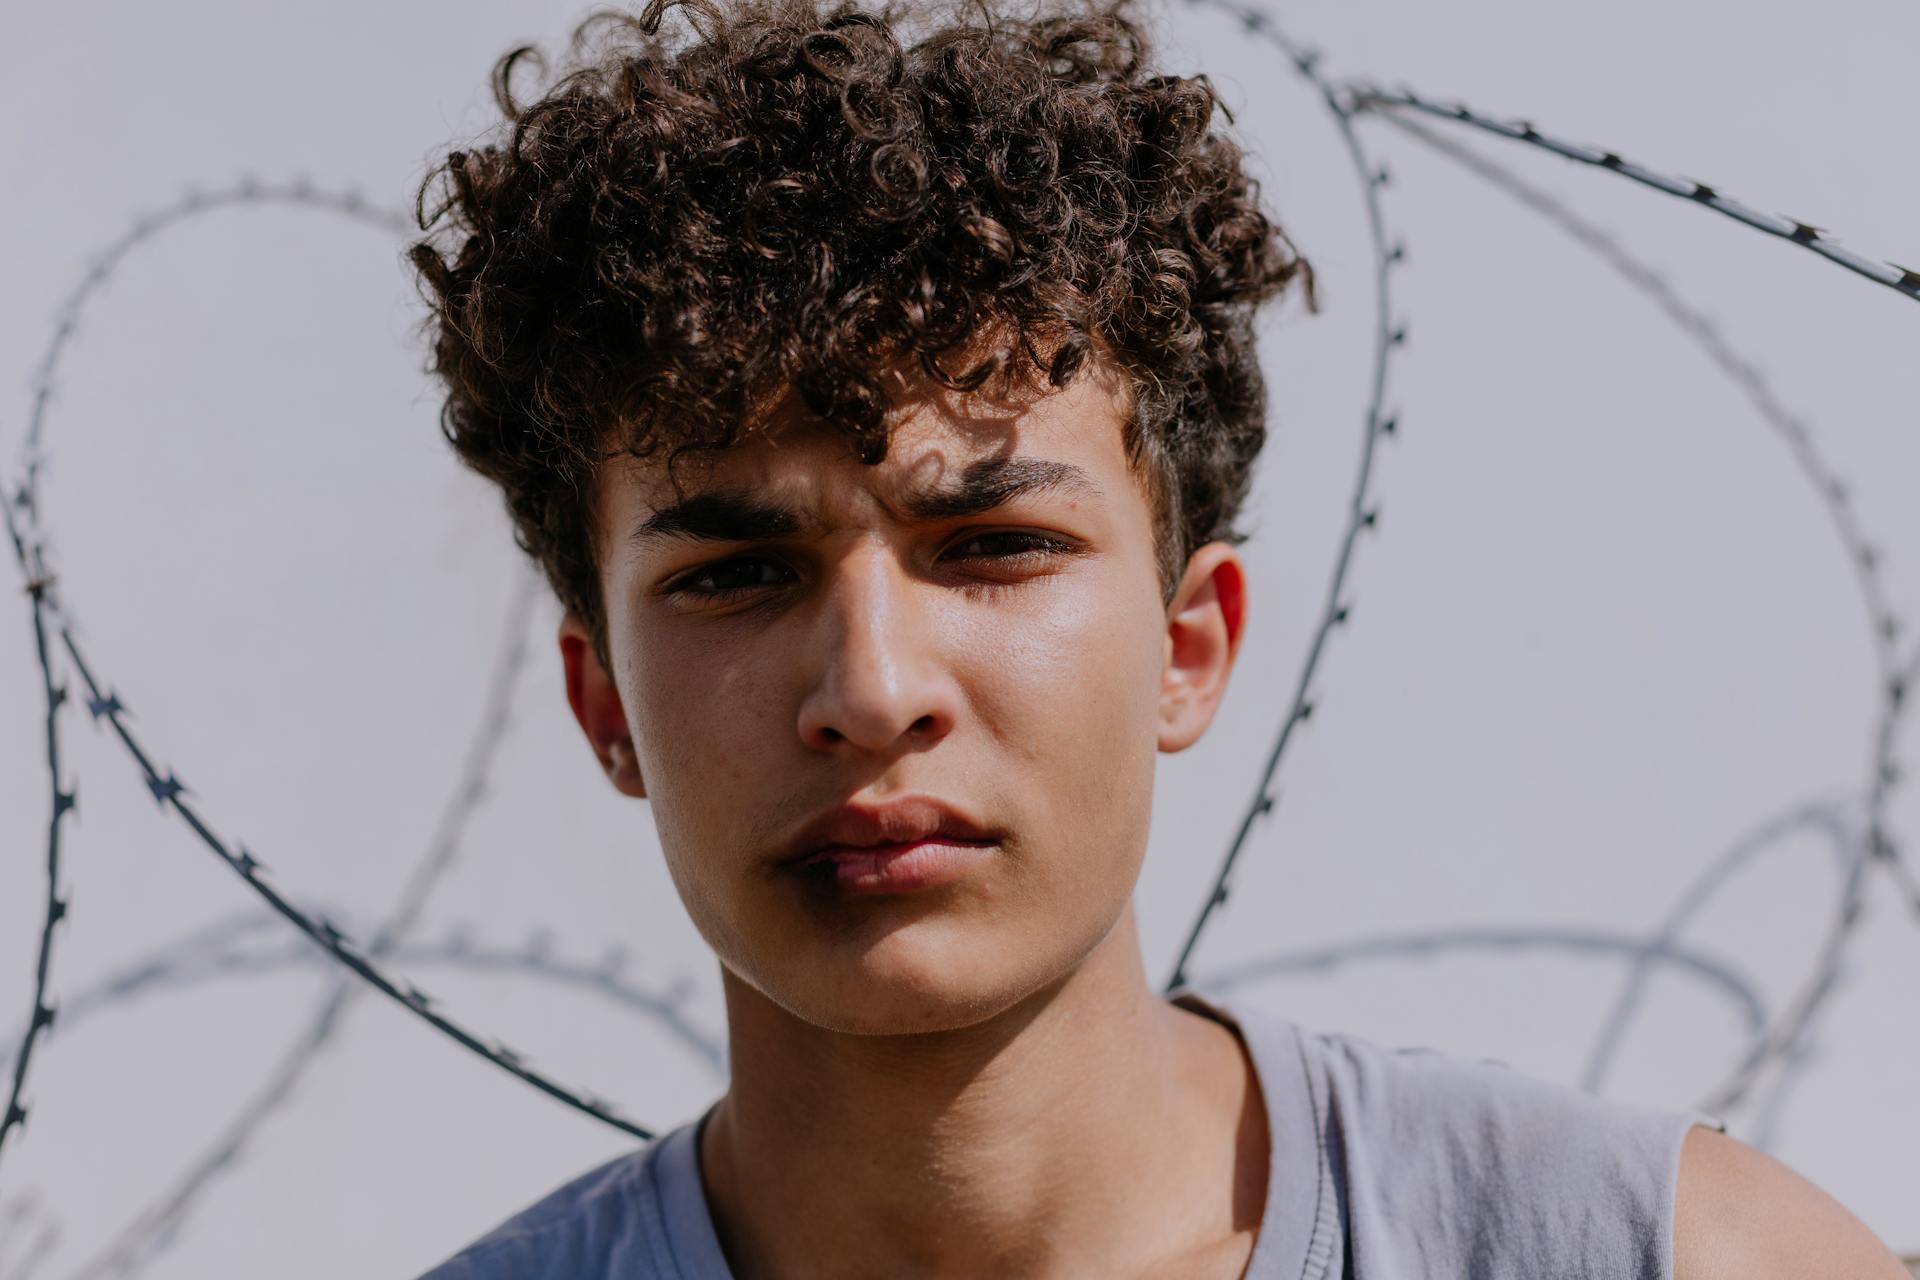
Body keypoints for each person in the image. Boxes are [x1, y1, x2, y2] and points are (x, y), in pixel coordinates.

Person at [405, 0, 1909, 1274]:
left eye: (993, 546)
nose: (871, 694)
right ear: (602, 701)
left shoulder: (1670, 1253)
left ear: (1190, 646)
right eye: (737, 577)